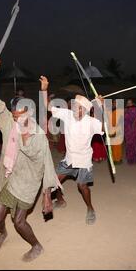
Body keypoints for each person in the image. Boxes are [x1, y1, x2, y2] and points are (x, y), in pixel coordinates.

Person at [0, 55, 60, 262]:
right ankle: (2, 234)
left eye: (22, 115)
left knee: (19, 222)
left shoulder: (39, 135)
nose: (19, 120)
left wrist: (47, 195)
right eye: (15, 116)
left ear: (30, 113)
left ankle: (36, 245)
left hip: (28, 183)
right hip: (10, 177)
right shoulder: (8, 122)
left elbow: (48, 166)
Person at [43, 78, 104, 225]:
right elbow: (47, 106)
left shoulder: (91, 121)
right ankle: (61, 201)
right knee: (54, 181)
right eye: (75, 106)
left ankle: (90, 209)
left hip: (83, 161)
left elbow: (102, 128)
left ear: (86, 110)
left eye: (79, 107)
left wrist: (100, 108)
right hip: (69, 159)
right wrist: (44, 89)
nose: (76, 109)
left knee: (82, 186)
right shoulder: (67, 114)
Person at [107, 99, 124, 164]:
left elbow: (121, 120)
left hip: (117, 129)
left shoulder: (120, 110)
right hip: (110, 129)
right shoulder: (109, 110)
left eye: (115, 102)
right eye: (113, 102)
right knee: (112, 145)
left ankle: (118, 159)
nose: (114, 103)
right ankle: (113, 159)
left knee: (118, 145)